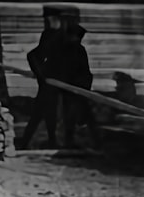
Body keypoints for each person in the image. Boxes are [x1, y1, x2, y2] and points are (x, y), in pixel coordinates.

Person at [15, 11, 66, 150]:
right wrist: (41, 75)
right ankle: (30, 142)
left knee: (49, 112)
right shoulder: (49, 35)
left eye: (52, 19)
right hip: (49, 80)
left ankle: (50, 141)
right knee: (41, 112)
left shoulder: (63, 36)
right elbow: (34, 55)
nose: (50, 22)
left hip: (59, 80)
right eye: (49, 20)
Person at [55, 23, 102, 150]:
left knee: (81, 116)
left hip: (77, 89)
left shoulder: (75, 49)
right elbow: (65, 71)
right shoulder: (72, 50)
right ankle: (72, 142)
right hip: (71, 89)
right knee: (71, 117)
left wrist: (84, 87)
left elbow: (85, 71)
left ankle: (93, 142)